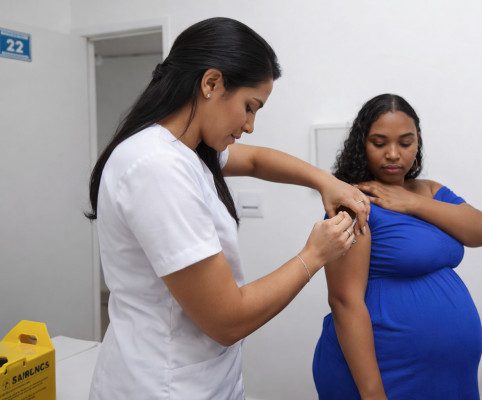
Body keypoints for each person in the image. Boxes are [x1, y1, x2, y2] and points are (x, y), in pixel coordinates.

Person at [86, 17, 370, 400]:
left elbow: (256, 160)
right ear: (211, 83)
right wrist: (314, 255)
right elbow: (227, 320)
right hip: (163, 386)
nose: (250, 125)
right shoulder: (157, 167)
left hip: (202, 378)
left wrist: (325, 181)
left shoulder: (186, 151)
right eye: (249, 107)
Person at [312, 94, 482, 400]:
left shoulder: (431, 191)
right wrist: (373, 394)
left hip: (448, 375)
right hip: (387, 373)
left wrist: (411, 202)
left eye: (406, 142)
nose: (393, 154)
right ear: (361, 143)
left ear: (418, 142)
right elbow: (344, 301)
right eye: (379, 143)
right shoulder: (354, 204)